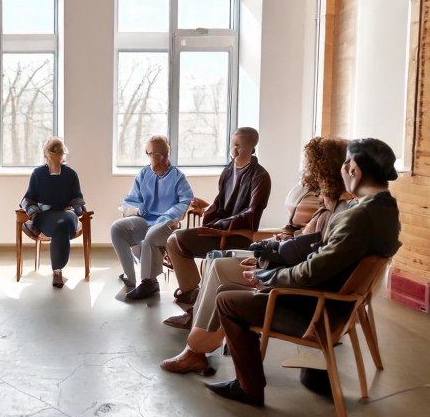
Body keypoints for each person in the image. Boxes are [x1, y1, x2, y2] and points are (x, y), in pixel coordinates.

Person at [207, 138, 401, 406]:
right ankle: (272, 378)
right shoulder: (386, 210)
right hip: (336, 303)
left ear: (353, 169)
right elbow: (326, 260)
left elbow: (312, 272)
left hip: (317, 311)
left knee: (225, 299)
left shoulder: (358, 216)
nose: (342, 171)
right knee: (228, 289)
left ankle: (248, 387)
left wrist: (267, 277)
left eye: (345, 165)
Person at [160, 136, 350, 375]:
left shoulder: (333, 211)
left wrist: (267, 267)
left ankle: (196, 348)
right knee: (213, 260)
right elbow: (305, 240)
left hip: (279, 270)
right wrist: (284, 240)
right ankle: (196, 328)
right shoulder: (330, 207)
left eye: (309, 165)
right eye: (233, 144)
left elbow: (307, 254)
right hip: (280, 257)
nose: (305, 172)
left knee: (217, 265)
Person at [165, 127, 271, 305]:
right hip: (219, 229)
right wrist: (206, 212)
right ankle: (192, 290)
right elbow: (220, 204)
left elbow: (251, 214)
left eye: (239, 146)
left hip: (237, 235)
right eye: (232, 145)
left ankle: (193, 292)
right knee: (172, 239)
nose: (234, 150)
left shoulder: (260, 176)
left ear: (252, 147)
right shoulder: (229, 171)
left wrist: (220, 224)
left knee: (177, 239)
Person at [110, 135, 193, 298]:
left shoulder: (177, 177)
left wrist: (166, 217)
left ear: (164, 155)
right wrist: (137, 209)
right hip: (145, 219)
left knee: (150, 236)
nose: (148, 157)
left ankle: (149, 282)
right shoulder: (143, 173)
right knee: (117, 228)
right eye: (148, 153)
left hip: (167, 224)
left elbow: (185, 202)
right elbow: (128, 202)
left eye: (150, 153)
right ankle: (130, 278)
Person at [20, 137, 86, 288]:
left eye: (60, 152)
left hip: (66, 213)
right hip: (45, 215)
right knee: (59, 226)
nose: (58, 155)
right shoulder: (38, 173)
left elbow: (77, 196)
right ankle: (57, 271)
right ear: (47, 154)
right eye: (54, 152)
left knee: (63, 224)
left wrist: (79, 209)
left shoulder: (71, 174)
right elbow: (29, 197)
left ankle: (57, 270)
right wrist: (32, 211)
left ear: (64, 154)